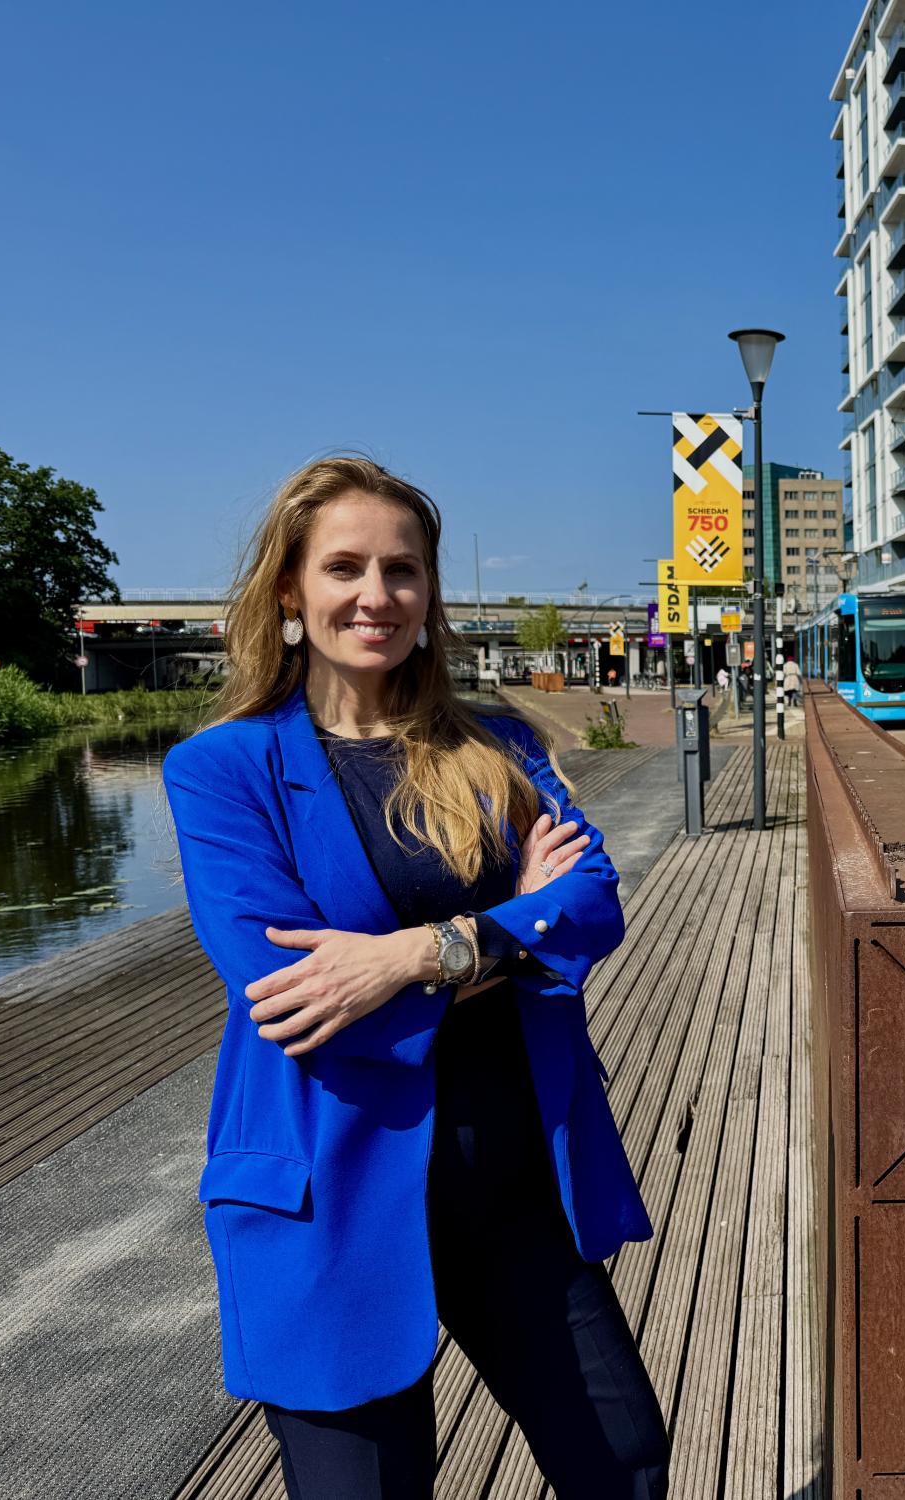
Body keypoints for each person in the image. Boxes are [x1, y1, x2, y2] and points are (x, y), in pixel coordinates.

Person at [162, 457, 668, 1500]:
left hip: (518, 1178)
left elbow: (593, 906)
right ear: (290, 593)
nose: (376, 595)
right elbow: (295, 995)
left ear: (430, 594)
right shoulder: (224, 770)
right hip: (330, 1193)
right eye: (343, 567)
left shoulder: (501, 745)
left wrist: (405, 955)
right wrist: (511, 932)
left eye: (402, 569)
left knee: (623, 1464)